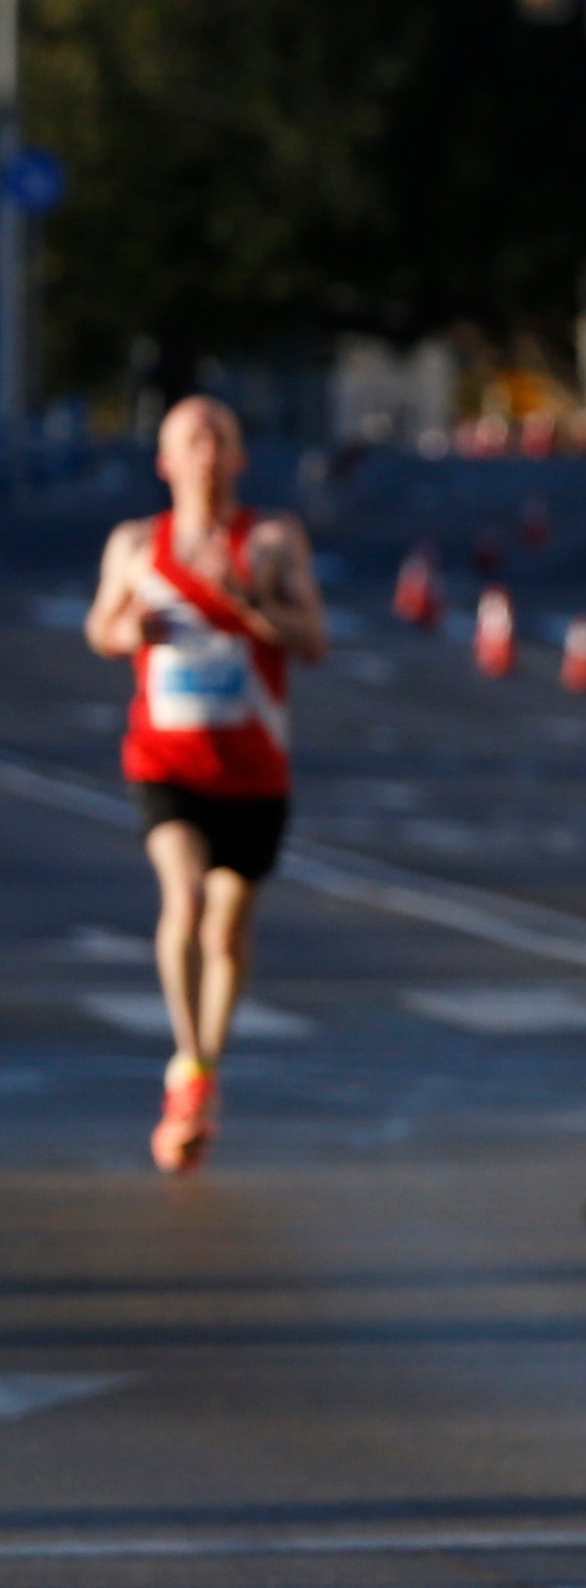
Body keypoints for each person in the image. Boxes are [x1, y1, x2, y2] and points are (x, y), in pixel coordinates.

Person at [86, 397, 326, 1172]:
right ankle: (187, 1067)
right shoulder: (135, 544)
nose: (207, 451)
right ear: (165, 460)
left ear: (240, 458)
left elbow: (312, 640)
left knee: (226, 931)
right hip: (165, 763)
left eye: (221, 437)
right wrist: (130, 631)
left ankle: (207, 1068)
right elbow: (101, 628)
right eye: (192, 439)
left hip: (255, 769)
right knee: (183, 901)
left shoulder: (272, 540)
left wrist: (247, 597)